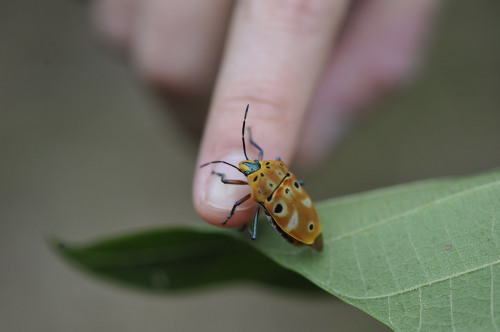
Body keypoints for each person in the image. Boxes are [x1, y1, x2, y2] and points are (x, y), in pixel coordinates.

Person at [91, 0, 440, 228]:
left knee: (263, 211)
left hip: (289, 208)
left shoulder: (264, 175)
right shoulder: (267, 174)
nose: (248, 165)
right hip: (290, 206)